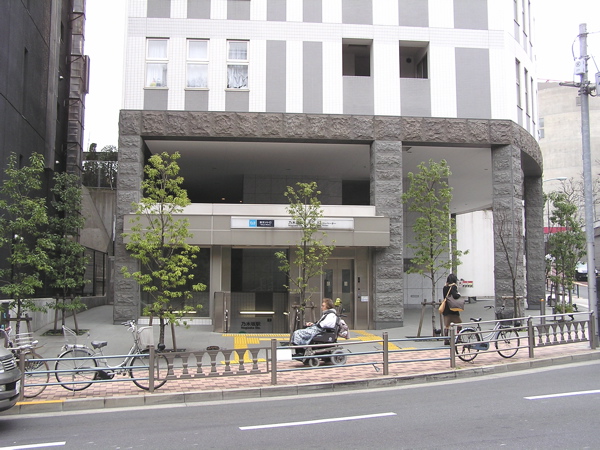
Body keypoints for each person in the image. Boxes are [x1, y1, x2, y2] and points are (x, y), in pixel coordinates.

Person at [442, 274, 462, 345]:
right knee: (459, 323)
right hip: (453, 308)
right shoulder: (453, 287)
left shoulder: (445, 287)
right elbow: (455, 296)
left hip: (446, 308)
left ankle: (446, 340)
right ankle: (458, 338)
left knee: (447, 325)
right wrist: (458, 294)